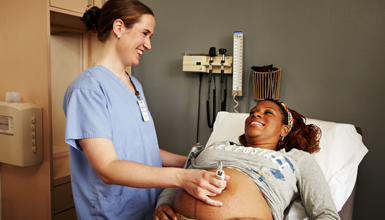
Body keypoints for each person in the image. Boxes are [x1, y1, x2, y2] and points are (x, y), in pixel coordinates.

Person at [62, 0, 228, 219]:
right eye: (145, 33)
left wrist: (194, 161)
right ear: (119, 27)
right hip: (112, 213)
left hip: (147, 209)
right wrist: (181, 178)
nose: (148, 44)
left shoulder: (134, 85)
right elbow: (108, 168)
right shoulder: (88, 90)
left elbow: (142, 151)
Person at [154, 99, 341, 220]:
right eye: (253, 111)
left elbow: (326, 214)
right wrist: (163, 204)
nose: (256, 114)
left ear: (285, 130)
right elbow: (182, 177)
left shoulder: (296, 159)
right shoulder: (218, 145)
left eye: (268, 112)